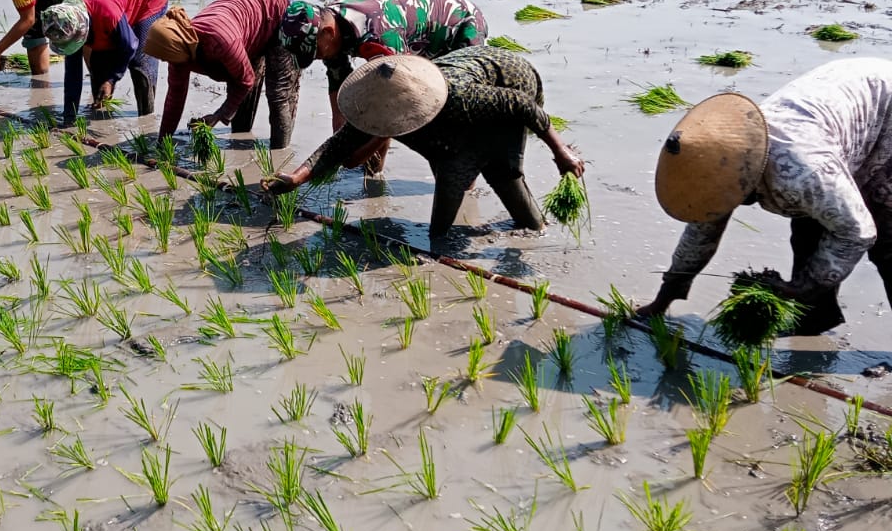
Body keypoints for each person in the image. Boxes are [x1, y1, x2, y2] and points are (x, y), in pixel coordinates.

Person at [638, 59, 892, 335]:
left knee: (888, 244)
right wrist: (663, 300)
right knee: (809, 226)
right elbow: (701, 233)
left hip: (885, 113)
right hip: (839, 110)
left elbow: (858, 232)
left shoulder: (802, 173)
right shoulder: (721, 162)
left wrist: (801, 288)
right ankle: (813, 319)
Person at [263, 47, 584, 237]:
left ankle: (536, 230)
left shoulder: (458, 98)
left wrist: (560, 151)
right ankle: (448, 223)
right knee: (451, 163)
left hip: (512, 81)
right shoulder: (380, 105)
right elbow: (339, 145)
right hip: (462, 104)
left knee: (501, 173)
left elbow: (520, 106)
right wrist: (296, 178)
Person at [278, 0, 490, 129]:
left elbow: (389, 104)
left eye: (315, 52)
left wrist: (372, 170)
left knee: (455, 108)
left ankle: (466, 183)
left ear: (328, 33)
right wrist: (337, 148)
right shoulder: (328, 30)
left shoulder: (379, 35)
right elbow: (338, 88)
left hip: (460, 25)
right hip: (416, 34)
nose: (316, 57)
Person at [143, 0, 301, 149]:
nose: (164, 61)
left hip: (283, 12)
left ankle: (279, 159)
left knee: (278, 94)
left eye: (165, 56)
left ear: (175, 47)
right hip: (250, 18)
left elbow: (246, 80)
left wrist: (218, 115)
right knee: (237, 95)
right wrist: (163, 142)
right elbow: (175, 98)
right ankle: (241, 146)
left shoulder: (220, 41)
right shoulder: (178, 55)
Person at [40, 0, 169, 125]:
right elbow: (73, 73)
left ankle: (146, 119)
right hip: (117, 1)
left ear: (82, 27)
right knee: (99, 63)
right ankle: (102, 114)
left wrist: (111, 80)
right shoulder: (64, 20)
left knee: (139, 63)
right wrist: (69, 118)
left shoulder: (106, 13)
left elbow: (130, 45)